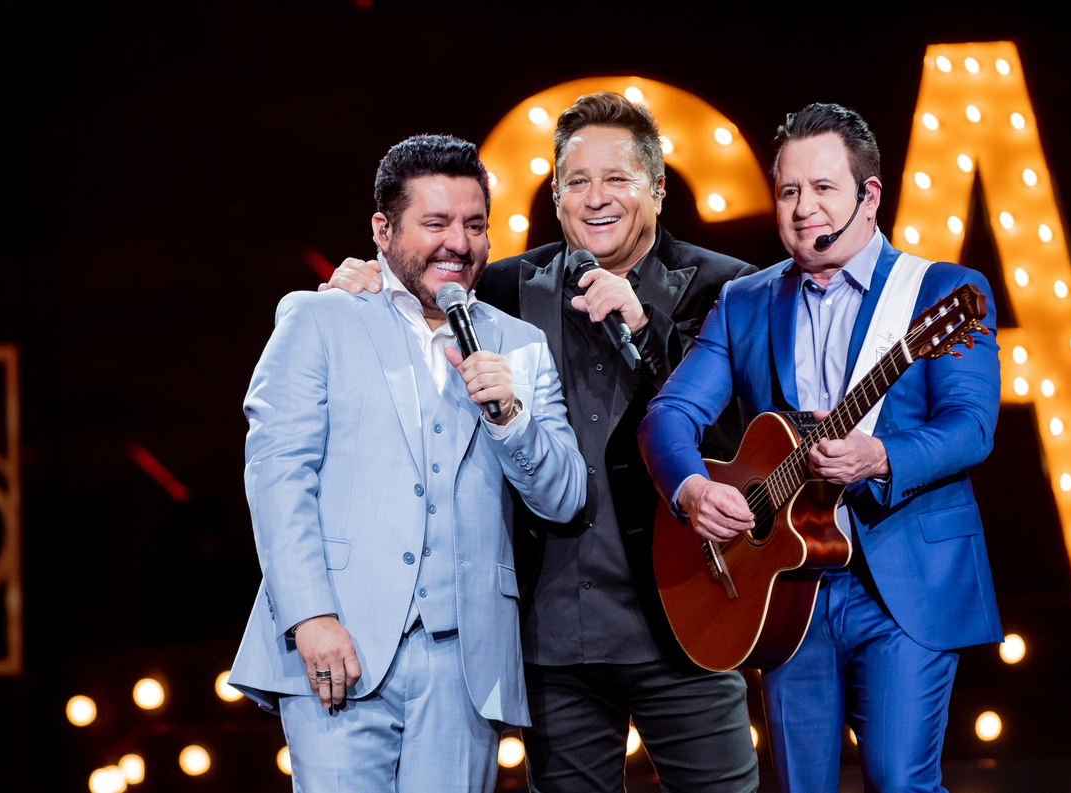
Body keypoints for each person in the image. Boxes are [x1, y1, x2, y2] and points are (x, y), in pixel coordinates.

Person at [324, 92, 759, 792]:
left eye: (616, 178)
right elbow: (419, 291)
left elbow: (738, 437)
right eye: (576, 181)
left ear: (657, 187)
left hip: (687, 619)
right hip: (550, 639)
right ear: (555, 195)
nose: (596, 197)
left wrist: (647, 331)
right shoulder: (501, 287)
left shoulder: (728, 288)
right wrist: (366, 281)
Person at [638, 103, 1003, 793]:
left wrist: (882, 457)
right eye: (789, 191)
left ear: (870, 195)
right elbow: (668, 416)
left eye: (824, 188)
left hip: (903, 580)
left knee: (900, 780)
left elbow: (970, 427)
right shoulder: (745, 300)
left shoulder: (939, 292)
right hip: (785, 586)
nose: (804, 208)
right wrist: (693, 489)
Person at [228, 134, 586, 791]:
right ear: (382, 229)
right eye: (436, 222)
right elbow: (278, 477)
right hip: (340, 642)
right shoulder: (319, 318)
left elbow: (563, 496)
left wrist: (510, 416)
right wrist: (309, 616)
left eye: (474, 225)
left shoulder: (520, 344)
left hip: (467, 662)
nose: (459, 243)